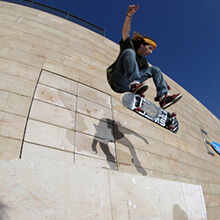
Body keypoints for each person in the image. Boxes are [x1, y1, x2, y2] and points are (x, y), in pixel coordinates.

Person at [107, 4, 182, 109]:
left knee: (155, 69)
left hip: (126, 86)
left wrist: (163, 83)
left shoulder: (143, 62)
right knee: (129, 52)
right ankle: (134, 84)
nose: (150, 52)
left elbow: (151, 71)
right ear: (142, 45)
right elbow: (125, 33)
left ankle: (163, 98)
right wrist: (129, 15)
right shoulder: (129, 46)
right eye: (150, 48)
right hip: (117, 80)